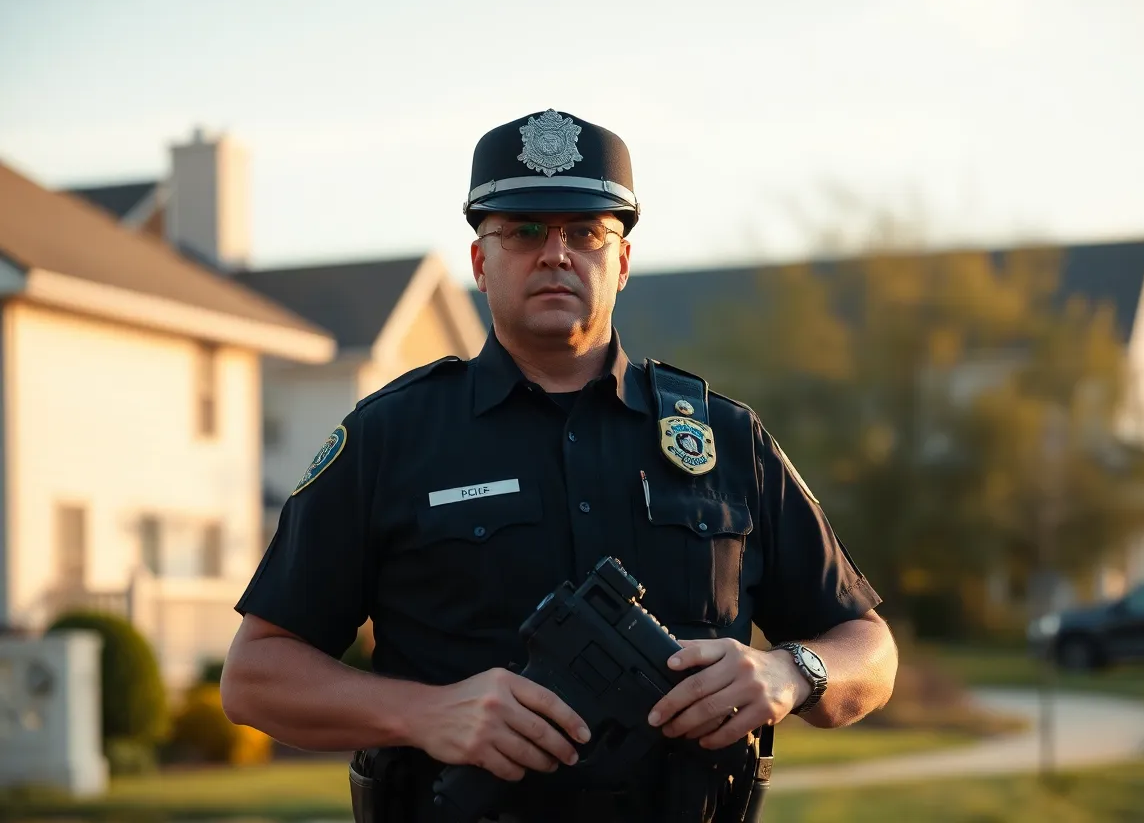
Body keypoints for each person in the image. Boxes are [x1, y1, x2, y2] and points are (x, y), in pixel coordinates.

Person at [221, 108, 898, 822]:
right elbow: (256, 676)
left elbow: (868, 646)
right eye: (524, 232)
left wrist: (789, 673)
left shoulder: (725, 439)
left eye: (586, 232)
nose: (556, 254)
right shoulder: (393, 437)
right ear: (482, 261)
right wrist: (427, 713)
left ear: (623, 262)